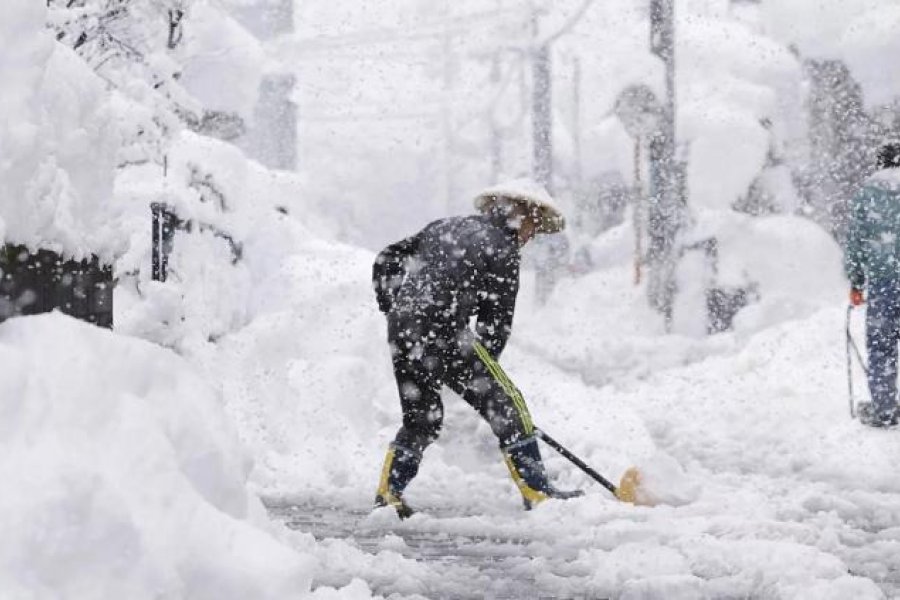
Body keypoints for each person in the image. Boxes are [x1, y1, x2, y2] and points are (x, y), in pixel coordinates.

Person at [371, 179, 583, 518]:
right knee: (510, 405)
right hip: (445, 331)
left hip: (403, 331)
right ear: (522, 213)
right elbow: (495, 324)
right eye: (533, 227)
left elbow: (387, 258)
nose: (531, 236)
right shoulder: (503, 248)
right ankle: (538, 491)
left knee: (422, 419)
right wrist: (483, 379)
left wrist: (394, 308)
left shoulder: (445, 227)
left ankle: (389, 491)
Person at [845, 142, 900, 428]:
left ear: (880, 164)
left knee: (882, 347)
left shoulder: (867, 196)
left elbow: (854, 243)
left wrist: (856, 281)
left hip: (883, 284)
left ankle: (885, 409)